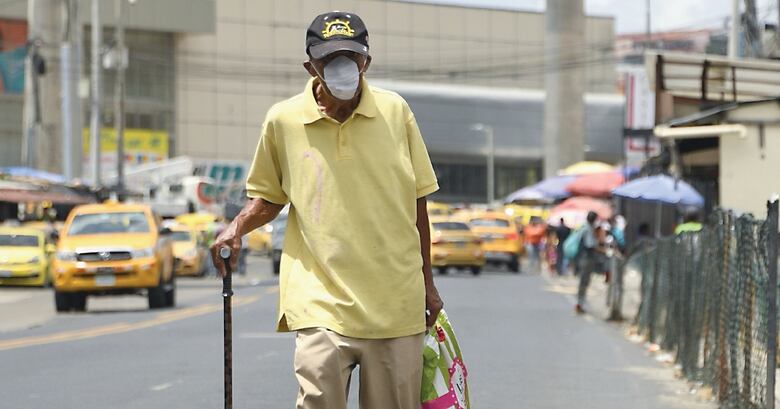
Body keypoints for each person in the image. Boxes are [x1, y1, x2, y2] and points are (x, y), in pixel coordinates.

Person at [210, 11, 443, 409]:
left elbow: (417, 201)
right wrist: (235, 228)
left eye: (351, 58)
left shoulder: (395, 112)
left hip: (395, 300)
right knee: (317, 399)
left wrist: (429, 284)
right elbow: (269, 197)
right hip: (319, 298)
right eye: (330, 59)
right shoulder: (283, 120)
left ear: (366, 62)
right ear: (310, 66)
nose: (342, 67)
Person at [576, 211, 602, 314]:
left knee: (584, 281)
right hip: (587, 258)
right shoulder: (588, 229)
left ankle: (580, 303)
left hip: (584, 258)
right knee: (584, 281)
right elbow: (590, 245)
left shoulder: (585, 227)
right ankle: (580, 303)